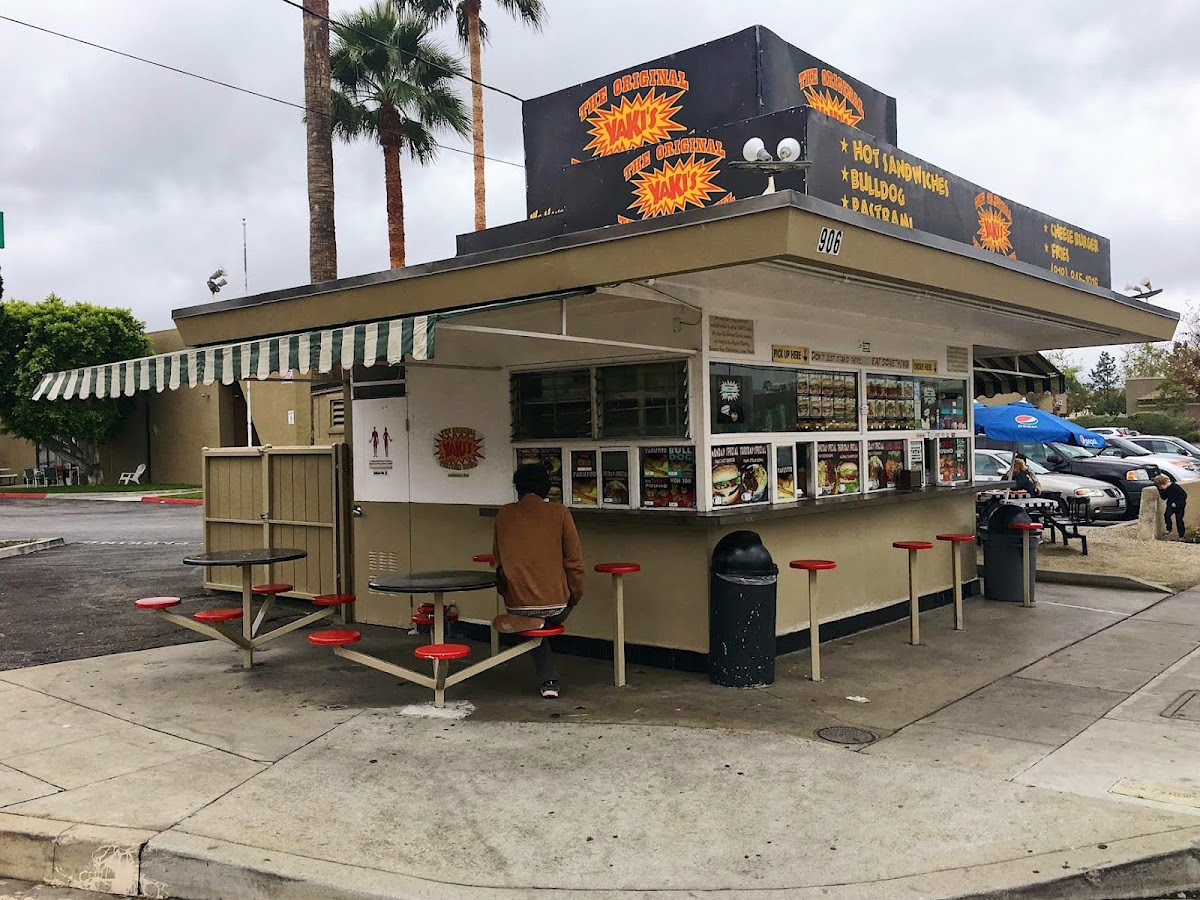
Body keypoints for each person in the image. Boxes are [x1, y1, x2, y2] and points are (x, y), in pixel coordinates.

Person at [492, 463, 585, 699]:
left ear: (518, 487)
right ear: (546, 487)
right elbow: (574, 563)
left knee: (531, 620)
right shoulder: (560, 513)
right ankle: (548, 678)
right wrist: (574, 595)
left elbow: (499, 560)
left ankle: (549, 679)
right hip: (556, 605)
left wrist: (509, 593)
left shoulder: (504, 514)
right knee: (544, 616)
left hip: (517, 605)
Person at [1154, 474, 1187, 538]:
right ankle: (1169, 528)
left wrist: (1177, 503)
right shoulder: (1164, 489)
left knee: (1179, 520)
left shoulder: (1175, 487)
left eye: (1161, 486)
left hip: (1179, 506)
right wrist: (1161, 491)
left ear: (1164, 483)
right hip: (1170, 505)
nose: (1160, 488)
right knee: (1167, 515)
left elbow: (1184, 495)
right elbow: (1164, 497)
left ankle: (1181, 535)